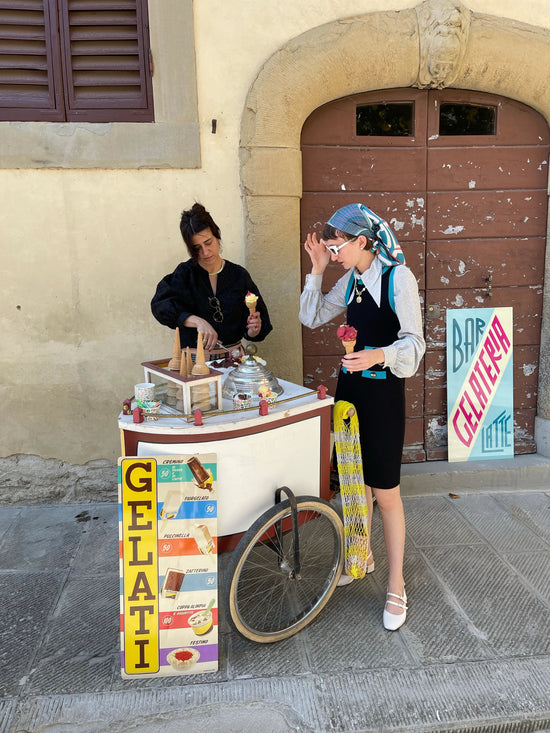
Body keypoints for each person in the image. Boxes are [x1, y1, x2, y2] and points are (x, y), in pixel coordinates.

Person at [299, 203, 425, 630]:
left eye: (336, 247)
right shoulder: (351, 280)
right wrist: (316, 270)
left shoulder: (397, 279)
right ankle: (360, 555)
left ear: (362, 241)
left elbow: (415, 345)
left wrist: (379, 354)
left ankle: (397, 585)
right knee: (356, 484)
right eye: (330, 248)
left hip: (384, 393)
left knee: (385, 491)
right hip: (350, 394)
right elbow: (311, 315)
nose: (334, 254)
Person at [151, 203, 272, 358]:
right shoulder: (185, 274)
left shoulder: (239, 275)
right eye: (197, 248)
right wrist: (195, 321)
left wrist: (253, 330)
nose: (205, 252)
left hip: (234, 358)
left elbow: (254, 326)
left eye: (208, 243)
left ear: (217, 235)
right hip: (195, 362)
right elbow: (160, 306)